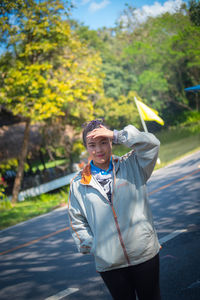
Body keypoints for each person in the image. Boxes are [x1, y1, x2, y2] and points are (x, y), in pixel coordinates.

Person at [67, 119, 161, 300]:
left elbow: (152, 144)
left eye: (104, 141)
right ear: (86, 147)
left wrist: (117, 134)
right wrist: (97, 247)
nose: (99, 149)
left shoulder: (132, 164)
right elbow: (77, 222)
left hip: (145, 255)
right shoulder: (78, 183)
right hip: (110, 265)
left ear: (111, 142)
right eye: (92, 144)